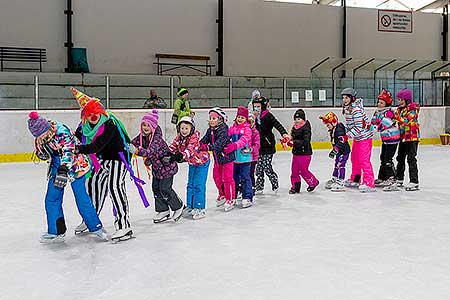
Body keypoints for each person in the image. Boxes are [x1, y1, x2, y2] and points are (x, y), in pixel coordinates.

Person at [27, 111, 107, 243]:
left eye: (41, 135)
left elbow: (69, 151)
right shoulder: (41, 136)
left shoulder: (62, 131)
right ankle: (56, 231)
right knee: (51, 198)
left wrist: (64, 169)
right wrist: (42, 154)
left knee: (81, 198)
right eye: (38, 136)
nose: (40, 138)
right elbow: (46, 152)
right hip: (56, 166)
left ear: (46, 128)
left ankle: (96, 227)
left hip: (76, 164)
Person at [71, 87, 134, 242]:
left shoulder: (109, 124)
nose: (93, 116)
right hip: (101, 159)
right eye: (89, 113)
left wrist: (77, 149)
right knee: (93, 185)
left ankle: (124, 226)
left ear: (101, 112)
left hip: (118, 157)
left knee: (114, 186)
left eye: (95, 112)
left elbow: (96, 146)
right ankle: (91, 220)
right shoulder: (84, 126)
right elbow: (75, 138)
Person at [131, 109, 184, 222]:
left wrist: (136, 151)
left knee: (165, 189)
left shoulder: (157, 139)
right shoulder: (143, 136)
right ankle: (163, 210)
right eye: (144, 125)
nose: (145, 127)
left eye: (148, 125)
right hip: (157, 168)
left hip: (167, 168)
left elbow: (149, 152)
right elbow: (133, 142)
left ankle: (178, 206)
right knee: (156, 189)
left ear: (153, 127)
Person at [168, 116, 210, 220]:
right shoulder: (179, 138)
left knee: (198, 185)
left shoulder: (194, 137)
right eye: (182, 128)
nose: (184, 131)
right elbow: (172, 147)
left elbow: (190, 149)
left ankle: (200, 207)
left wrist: (182, 156)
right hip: (192, 163)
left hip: (202, 162)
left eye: (186, 128)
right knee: (190, 184)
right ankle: (190, 206)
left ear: (191, 129)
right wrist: (166, 154)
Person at [199, 107, 236, 211]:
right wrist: (198, 144)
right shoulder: (210, 130)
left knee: (227, 179)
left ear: (220, 119)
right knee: (217, 178)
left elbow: (217, 145)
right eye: (210, 118)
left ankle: (231, 198)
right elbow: (204, 140)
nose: (211, 120)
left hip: (227, 158)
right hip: (218, 159)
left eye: (214, 118)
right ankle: (222, 194)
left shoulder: (224, 130)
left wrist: (206, 147)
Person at [384, 88, 420, 192]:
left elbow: (407, 121)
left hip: (412, 137)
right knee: (400, 158)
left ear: (407, 100)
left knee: (411, 158)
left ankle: (414, 181)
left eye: (401, 100)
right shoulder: (399, 110)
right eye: (398, 100)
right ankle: (399, 178)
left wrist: (395, 116)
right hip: (403, 137)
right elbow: (395, 121)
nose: (399, 102)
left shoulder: (413, 109)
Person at [252, 96, 289, 194]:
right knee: (258, 168)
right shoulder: (253, 117)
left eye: (258, 107)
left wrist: (284, 133)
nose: (256, 109)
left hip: (268, 145)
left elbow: (278, 125)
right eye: (254, 107)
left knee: (266, 166)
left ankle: (274, 182)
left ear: (263, 106)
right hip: (258, 146)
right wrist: (253, 119)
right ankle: (259, 186)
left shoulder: (268, 115)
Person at [342, 87, 376, 193]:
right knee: (355, 158)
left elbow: (359, 127)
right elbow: (350, 125)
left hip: (364, 137)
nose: (344, 100)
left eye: (347, 98)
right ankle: (356, 179)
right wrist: (344, 132)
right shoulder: (348, 109)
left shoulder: (356, 110)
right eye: (343, 98)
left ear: (352, 98)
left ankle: (369, 182)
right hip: (357, 137)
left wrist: (347, 136)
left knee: (363, 160)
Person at [371, 89, 400, 187]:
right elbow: (373, 122)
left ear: (387, 104)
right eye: (378, 102)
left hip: (392, 139)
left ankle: (392, 178)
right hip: (386, 140)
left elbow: (382, 126)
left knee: (388, 159)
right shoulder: (379, 112)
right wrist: (374, 118)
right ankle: (382, 177)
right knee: (382, 157)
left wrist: (372, 126)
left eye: (382, 102)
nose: (379, 104)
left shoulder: (389, 113)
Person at [224, 106, 253, 208]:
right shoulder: (233, 129)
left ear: (246, 119)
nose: (240, 119)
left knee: (245, 178)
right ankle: (234, 195)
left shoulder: (247, 129)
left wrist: (234, 145)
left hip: (245, 159)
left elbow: (244, 140)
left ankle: (247, 197)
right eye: (238, 117)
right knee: (234, 178)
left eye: (242, 117)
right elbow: (227, 137)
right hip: (234, 160)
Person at [288, 109, 319, 194]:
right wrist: (288, 141)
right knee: (294, 171)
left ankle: (313, 182)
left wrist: (294, 142)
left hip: (305, 153)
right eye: (296, 119)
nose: (297, 121)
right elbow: (293, 138)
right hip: (296, 153)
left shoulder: (306, 128)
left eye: (299, 119)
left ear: (303, 119)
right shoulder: (294, 127)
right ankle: (295, 187)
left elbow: (306, 141)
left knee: (303, 170)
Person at [319, 112, 351, 192]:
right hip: (339, 151)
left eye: (328, 124)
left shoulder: (339, 128)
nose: (327, 126)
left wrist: (335, 149)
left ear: (333, 122)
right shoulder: (333, 129)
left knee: (341, 165)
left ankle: (341, 181)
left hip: (344, 151)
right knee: (336, 164)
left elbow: (341, 141)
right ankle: (335, 178)